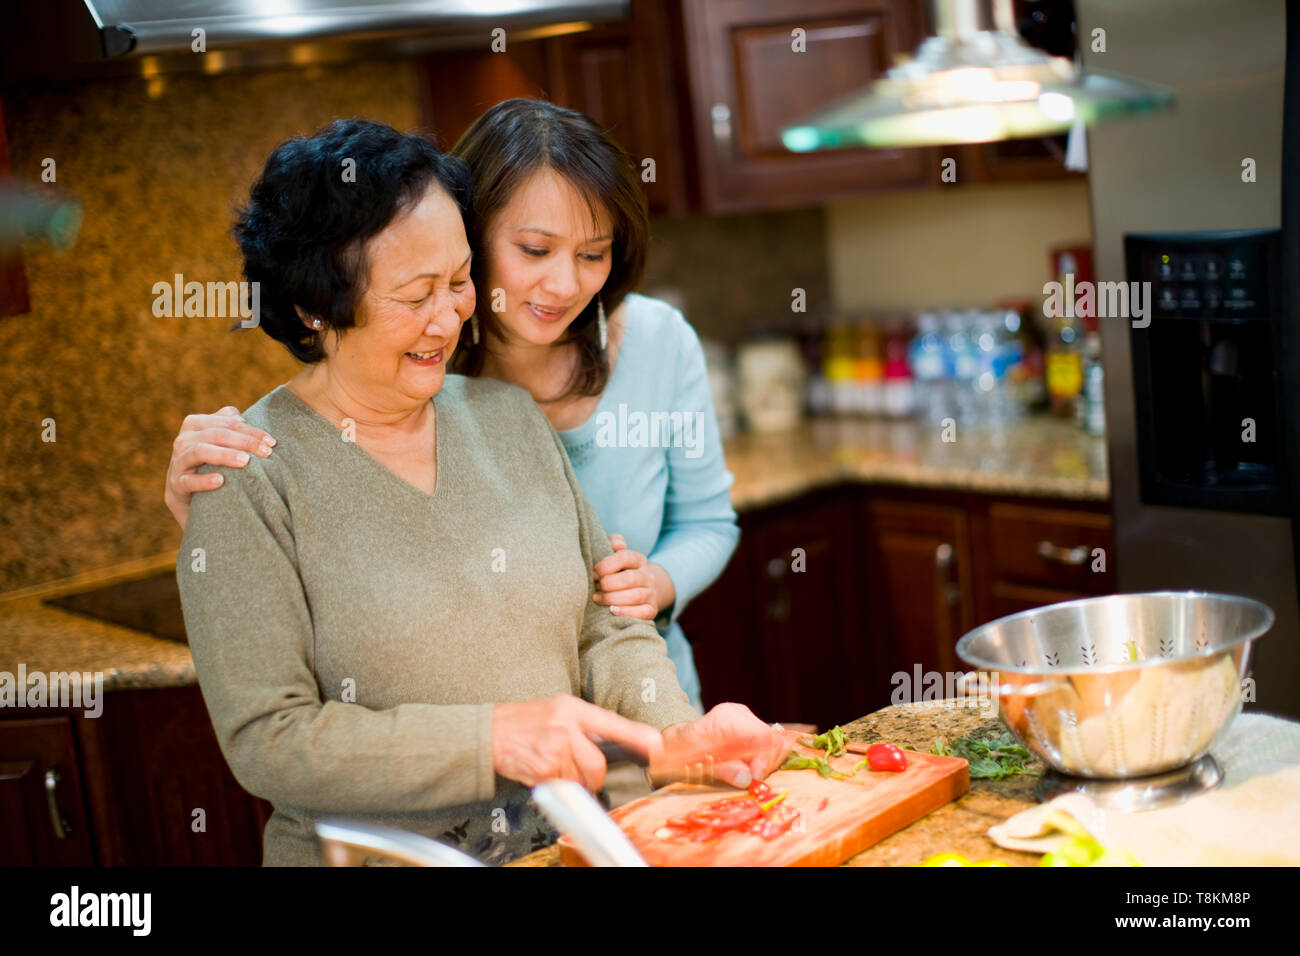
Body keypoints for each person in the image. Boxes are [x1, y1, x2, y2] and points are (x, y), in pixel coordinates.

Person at [175, 119, 786, 866]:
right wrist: (494, 738)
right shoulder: (245, 476)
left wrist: (675, 735)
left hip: (568, 847)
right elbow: (269, 741)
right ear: (313, 308)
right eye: (414, 295)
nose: (450, 316)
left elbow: (608, 628)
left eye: (460, 281)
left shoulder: (506, 417)